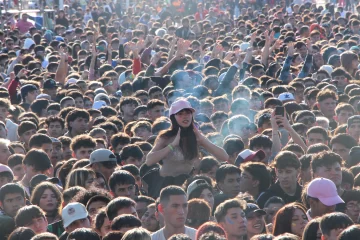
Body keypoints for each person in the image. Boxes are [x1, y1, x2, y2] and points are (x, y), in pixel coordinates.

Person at [145, 99, 228, 197]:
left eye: (188, 113)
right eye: (180, 114)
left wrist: (202, 139)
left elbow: (224, 157)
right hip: (165, 184)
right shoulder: (166, 136)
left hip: (186, 184)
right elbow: (149, 160)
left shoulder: (196, 136)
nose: (185, 116)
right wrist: (172, 145)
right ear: (173, 117)